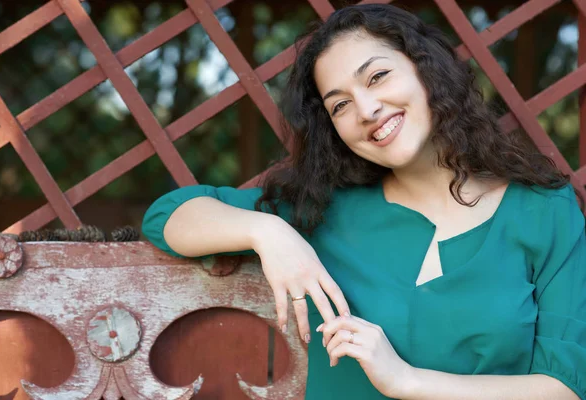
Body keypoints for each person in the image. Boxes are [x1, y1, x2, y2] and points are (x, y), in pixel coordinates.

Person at [142, 3, 586, 399]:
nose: (368, 110)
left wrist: (406, 381)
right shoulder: (324, 212)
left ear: (427, 71)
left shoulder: (544, 210)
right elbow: (167, 216)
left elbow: (565, 386)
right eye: (340, 106)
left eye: (378, 76)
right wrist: (267, 231)